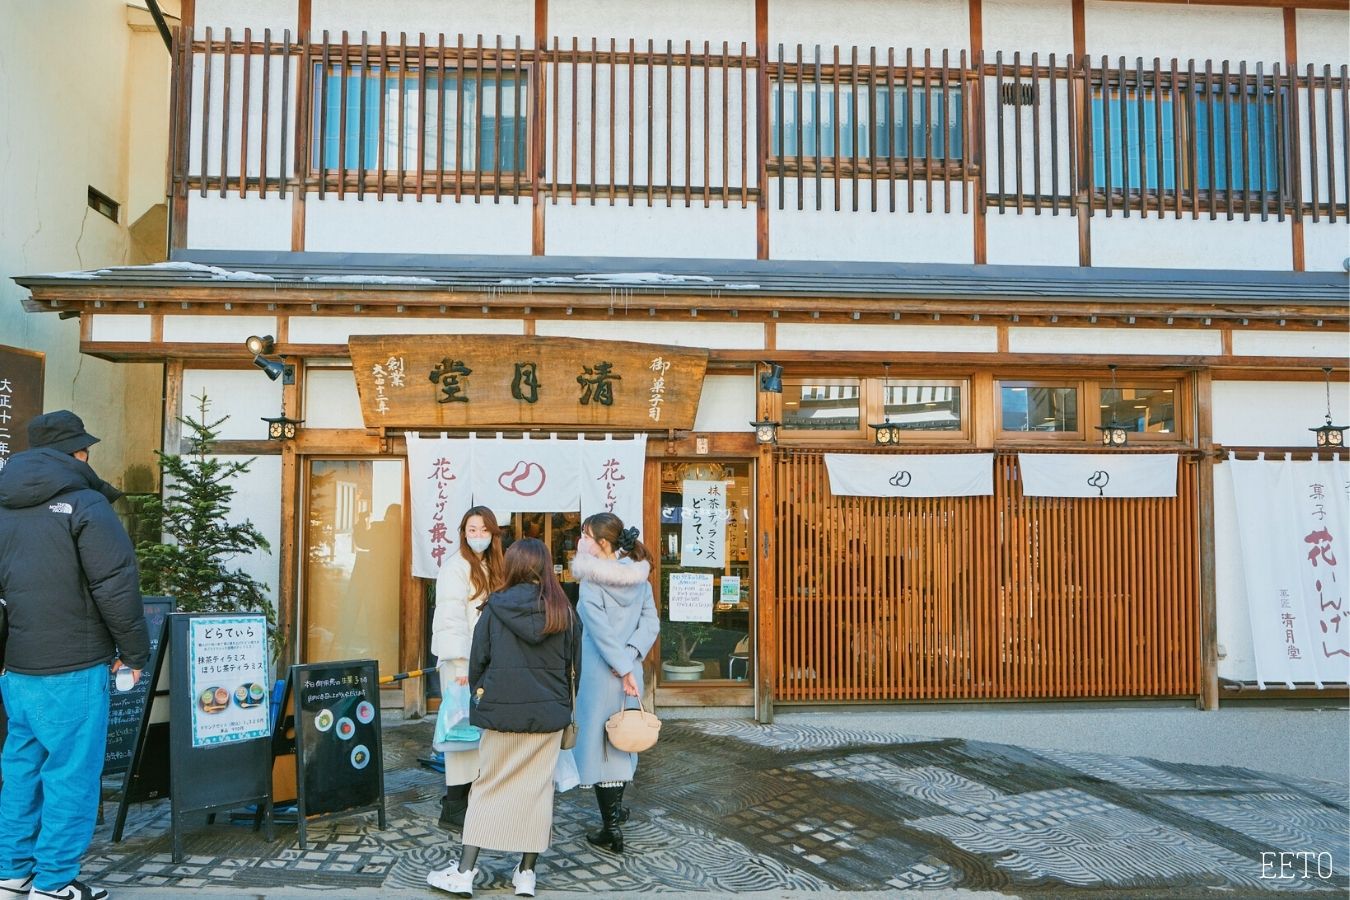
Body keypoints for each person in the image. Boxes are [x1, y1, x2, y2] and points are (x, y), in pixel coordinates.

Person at [0, 411, 151, 900]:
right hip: (75, 665)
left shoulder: (3, 505)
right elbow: (115, 584)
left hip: (17, 667)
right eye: (84, 447)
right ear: (75, 453)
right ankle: (54, 884)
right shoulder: (85, 502)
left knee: (21, 772)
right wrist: (134, 652)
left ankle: (10, 875)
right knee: (71, 776)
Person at [426, 538, 580, 899]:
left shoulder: (493, 608)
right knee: (538, 792)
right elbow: (576, 669)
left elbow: (478, 662)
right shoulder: (564, 611)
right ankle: (526, 874)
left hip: (501, 714)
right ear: (544, 567)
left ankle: (464, 873)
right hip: (547, 716)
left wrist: (486, 696)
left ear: (511, 567)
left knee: (486, 787)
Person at [569, 512, 659, 855]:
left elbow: (600, 632)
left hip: (600, 672)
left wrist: (619, 666)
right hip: (630, 671)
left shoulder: (591, 583)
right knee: (622, 739)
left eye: (586, 536)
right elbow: (651, 623)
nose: (582, 542)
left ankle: (611, 827)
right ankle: (616, 813)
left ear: (602, 543)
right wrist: (631, 658)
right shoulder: (640, 578)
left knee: (601, 744)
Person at [431, 506, 505, 828]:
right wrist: (462, 666)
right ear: (463, 533)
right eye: (471, 530)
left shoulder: (494, 565)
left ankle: (469, 801)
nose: (477, 536)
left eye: (483, 530)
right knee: (460, 735)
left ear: (493, 534)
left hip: (485, 664)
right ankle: (454, 807)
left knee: (477, 736)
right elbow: (449, 621)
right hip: (461, 665)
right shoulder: (455, 567)